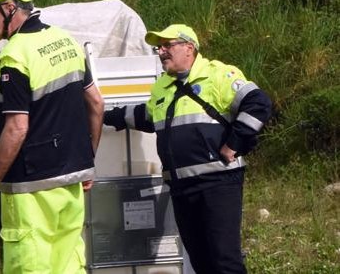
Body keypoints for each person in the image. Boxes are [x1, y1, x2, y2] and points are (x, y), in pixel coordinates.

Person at [103, 24, 271, 274]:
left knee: (224, 260)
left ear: (188, 48)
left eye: (167, 45)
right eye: (158, 47)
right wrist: (102, 116)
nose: (161, 51)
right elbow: (145, 117)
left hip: (218, 182)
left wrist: (233, 144)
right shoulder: (163, 86)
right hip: (182, 187)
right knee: (200, 260)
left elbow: (259, 104)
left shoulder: (217, 75)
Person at [0, 0, 103, 273]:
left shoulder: (14, 58)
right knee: (68, 264)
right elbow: (96, 103)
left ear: (9, 7)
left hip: (30, 189)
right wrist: (86, 161)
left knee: (30, 265)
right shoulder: (66, 41)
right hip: (70, 182)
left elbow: (16, 128)